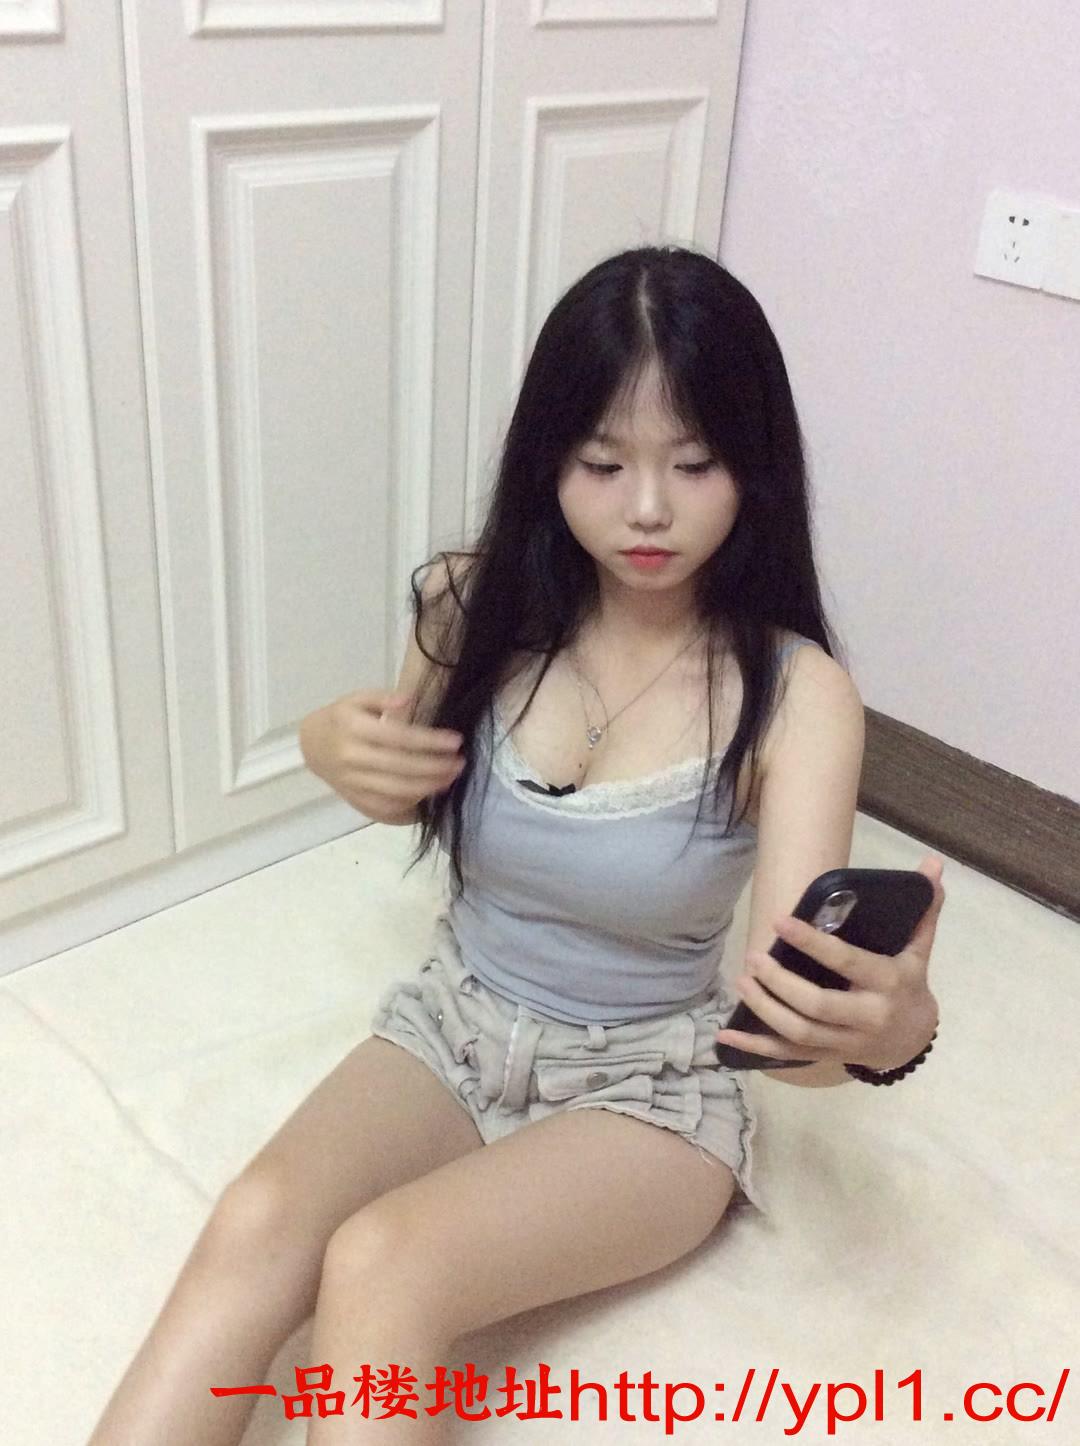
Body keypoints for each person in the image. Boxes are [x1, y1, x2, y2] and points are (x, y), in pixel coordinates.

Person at [87, 245, 944, 1446]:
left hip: (650, 1085)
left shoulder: (796, 696)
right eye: (603, 463)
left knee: (385, 1263)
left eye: (695, 464)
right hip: (457, 1019)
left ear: (755, 467)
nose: (648, 510)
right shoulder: (470, 605)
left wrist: (884, 1036)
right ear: (549, 460)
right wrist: (329, 746)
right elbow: (405, 783)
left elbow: (784, 1035)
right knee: (256, 1221)